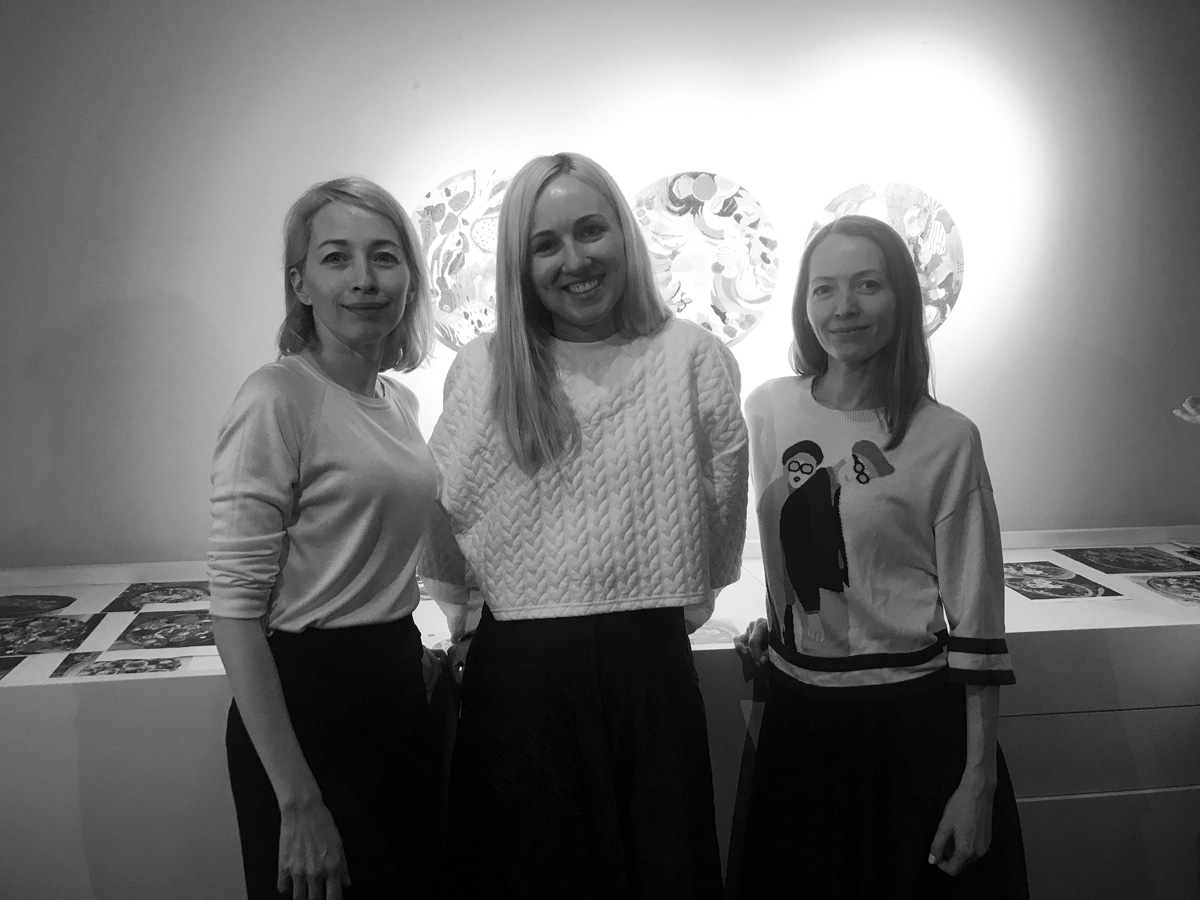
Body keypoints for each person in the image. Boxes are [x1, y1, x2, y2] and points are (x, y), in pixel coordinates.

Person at [420, 151, 749, 899]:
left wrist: (682, 603)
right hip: (522, 683)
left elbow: (722, 494)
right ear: (520, 263)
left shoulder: (692, 356)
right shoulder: (486, 366)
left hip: (648, 675)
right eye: (546, 244)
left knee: (661, 873)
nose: (574, 260)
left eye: (590, 230)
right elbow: (442, 503)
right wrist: (466, 620)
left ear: (624, 234)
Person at [733, 214, 1028, 899]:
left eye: (867, 285)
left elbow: (978, 620)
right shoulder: (768, 409)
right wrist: (784, 623)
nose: (844, 307)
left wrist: (977, 781)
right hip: (799, 722)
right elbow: (794, 535)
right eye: (824, 288)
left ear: (901, 299)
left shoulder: (946, 438)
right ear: (804, 303)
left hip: (907, 730)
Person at [208, 176, 440, 900]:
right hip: (308, 710)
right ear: (300, 284)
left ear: (410, 277)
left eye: (385, 257)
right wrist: (298, 801)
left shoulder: (398, 401)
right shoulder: (276, 398)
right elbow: (234, 617)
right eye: (337, 258)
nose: (365, 279)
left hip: (394, 691)